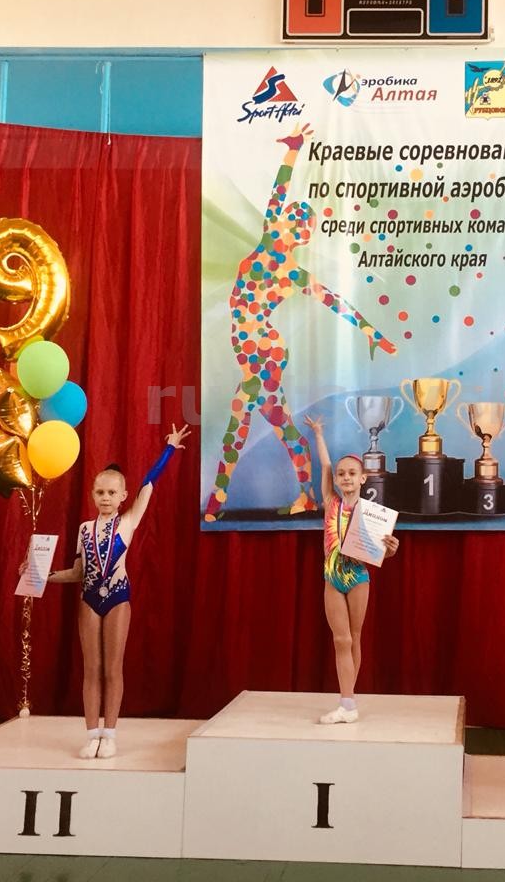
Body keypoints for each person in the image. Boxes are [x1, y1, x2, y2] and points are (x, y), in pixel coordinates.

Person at [203, 123, 397, 521]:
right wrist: (292, 150)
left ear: (303, 235)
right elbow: (279, 191)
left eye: (302, 225)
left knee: (240, 417)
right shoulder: (272, 246)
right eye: (294, 219)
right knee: (284, 428)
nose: (296, 225)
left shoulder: (293, 272)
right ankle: (306, 495)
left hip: (264, 351)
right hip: (257, 347)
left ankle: (216, 503)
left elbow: (334, 300)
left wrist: (370, 332)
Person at [43, 424, 190, 758]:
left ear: (123, 496)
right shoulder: (84, 529)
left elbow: (148, 484)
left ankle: (109, 734)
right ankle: (91, 734)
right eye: (100, 492)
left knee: (112, 669)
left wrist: (169, 449)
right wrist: (43, 576)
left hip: (117, 598)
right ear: (93, 495)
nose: (106, 498)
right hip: (89, 599)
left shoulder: (128, 521)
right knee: (91, 670)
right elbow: (78, 573)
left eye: (112, 493)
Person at [304, 414, 399, 724]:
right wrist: (318, 434)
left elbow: (381, 551)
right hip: (332, 578)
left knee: (354, 637)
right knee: (341, 640)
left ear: (363, 479)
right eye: (342, 474)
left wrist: (391, 548)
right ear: (336, 480)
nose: (345, 477)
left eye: (352, 473)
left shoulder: (371, 514)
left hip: (358, 578)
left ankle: (348, 702)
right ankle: (348, 704)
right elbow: (325, 465)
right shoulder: (331, 501)